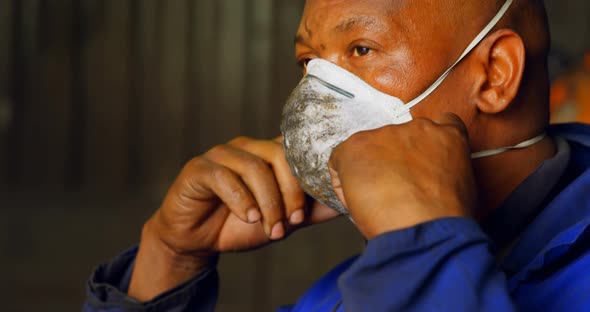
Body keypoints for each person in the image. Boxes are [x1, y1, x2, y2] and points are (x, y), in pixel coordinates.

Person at [84, 0, 590, 311]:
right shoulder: (343, 295)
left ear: (495, 73)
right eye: (310, 59)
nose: (317, 92)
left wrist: (416, 235)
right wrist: (168, 261)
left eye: (361, 50)